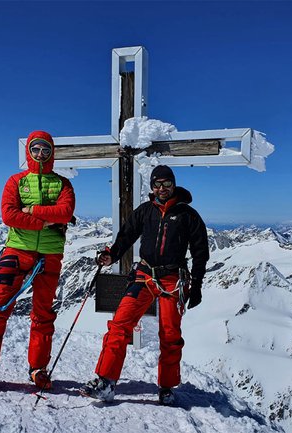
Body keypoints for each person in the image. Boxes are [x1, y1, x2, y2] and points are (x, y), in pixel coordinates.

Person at [80, 165, 209, 406]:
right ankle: (106, 381)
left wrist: (197, 285)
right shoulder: (145, 211)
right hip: (145, 275)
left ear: (174, 184)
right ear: (152, 187)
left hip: (173, 279)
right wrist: (112, 255)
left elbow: (201, 252)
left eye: (166, 184)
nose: (162, 189)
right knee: (119, 325)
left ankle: (167, 386)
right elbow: (126, 236)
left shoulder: (188, 215)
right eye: (157, 185)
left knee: (170, 335)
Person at [0, 130, 75, 392]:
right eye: (36, 149)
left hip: (50, 255)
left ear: (51, 152)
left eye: (45, 149)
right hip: (16, 251)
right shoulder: (15, 181)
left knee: (43, 314)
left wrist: (31, 210)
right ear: (29, 151)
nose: (40, 154)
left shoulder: (63, 184)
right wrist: (47, 221)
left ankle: (38, 368)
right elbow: (9, 215)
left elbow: (66, 212)